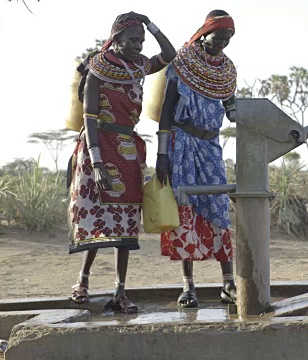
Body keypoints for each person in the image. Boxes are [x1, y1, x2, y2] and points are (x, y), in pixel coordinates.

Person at [68, 12, 176, 313]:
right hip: (98, 149)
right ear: (116, 39)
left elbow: (169, 54)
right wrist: (98, 163)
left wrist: (150, 23)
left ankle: (120, 291)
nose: (138, 46)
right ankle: (83, 281)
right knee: (97, 219)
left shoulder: (139, 66)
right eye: (133, 40)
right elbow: (89, 118)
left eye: (141, 41)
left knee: (126, 222)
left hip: (129, 149)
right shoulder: (97, 69)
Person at [156, 9, 237, 308]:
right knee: (184, 209)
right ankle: (188, 287)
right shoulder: (183, 63)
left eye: (228, 40)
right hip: (182, 144)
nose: (222, 45)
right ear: (205, 34)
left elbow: (233, 110)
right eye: (219, 38)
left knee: (218, 209)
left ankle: (228, 283)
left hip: (211, 146)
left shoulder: (226, 71)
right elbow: (166, 110)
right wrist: (162, 153)